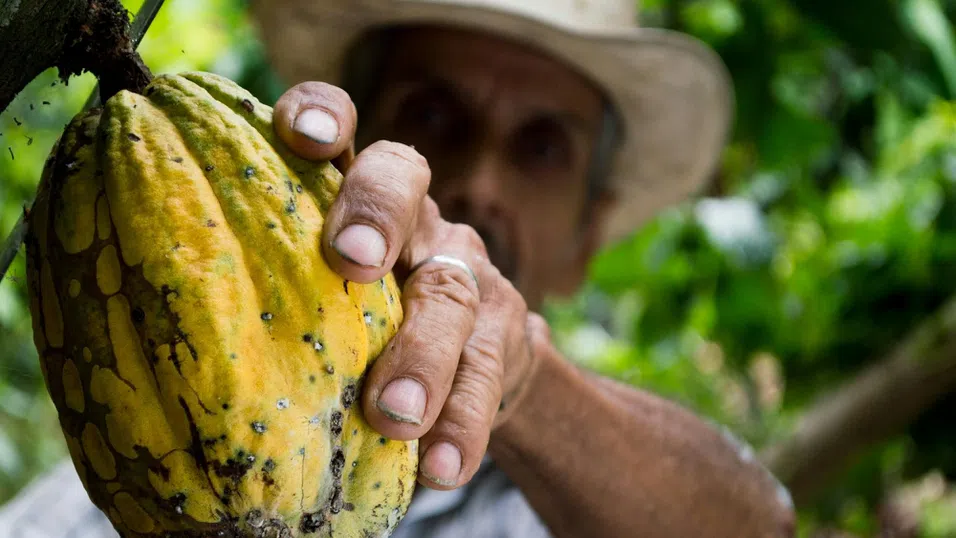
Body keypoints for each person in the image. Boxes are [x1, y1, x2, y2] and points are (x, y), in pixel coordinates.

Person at [0, 0, 797, 536]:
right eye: (432, 114)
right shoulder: (106, 486)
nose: (481, 181)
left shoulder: (583, 505)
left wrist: (520, 378)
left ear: (590, 234)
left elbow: (757, 523)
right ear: (335, 146)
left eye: (542, 147)